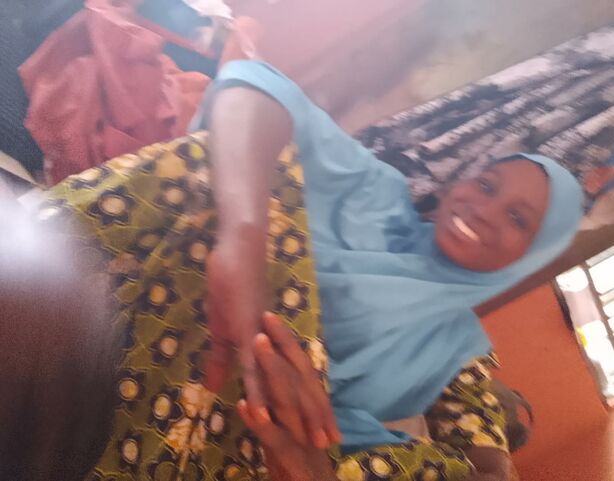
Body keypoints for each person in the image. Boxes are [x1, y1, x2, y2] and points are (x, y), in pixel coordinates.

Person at [9, 59, 583, 481]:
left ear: (530, 256)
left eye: (518, 219)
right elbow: (257, 86)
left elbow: (487, 465)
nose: (483, 210)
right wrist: (244, 234)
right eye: (486, 184)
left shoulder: (458, 353)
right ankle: (25, 264)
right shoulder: (374, 192)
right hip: (143, 299)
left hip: (231, 430)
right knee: (251, 169)